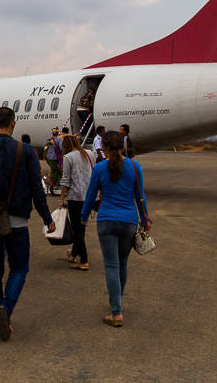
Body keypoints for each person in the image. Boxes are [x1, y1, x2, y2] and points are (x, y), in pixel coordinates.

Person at [0, 107, 55, 342]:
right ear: (14, 125)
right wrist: (47, 217)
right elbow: (37, 187)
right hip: (17, 222)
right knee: (19, 268)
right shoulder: (25, 151)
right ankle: (6, 306)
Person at [81, 131, 151, 328]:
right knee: (122, 263)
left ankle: (116, 310)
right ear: (122, 146)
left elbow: (91, 195)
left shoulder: (100, 168)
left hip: (107, 221)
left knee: (111, 265)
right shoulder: (135, 166)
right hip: (129, 221)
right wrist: (145, 217)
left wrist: (83, 217)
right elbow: (140, 196)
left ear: (103, 147)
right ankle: (116, 302)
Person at [59, 134, 94, 271]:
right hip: (89, 196)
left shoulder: (68, 157)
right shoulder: (89, 153)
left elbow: (65, 180)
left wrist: (62, 198)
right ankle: (73, 254)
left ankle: (84, 259)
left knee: (76, 230)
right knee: (81, 227)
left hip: (75, 197)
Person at [44, 127, 63, 194]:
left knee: (54, 170)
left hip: (49, 158)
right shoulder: (59, 140)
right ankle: (53, 185)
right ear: (57, 133)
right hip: (55, 158)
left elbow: (45, 148)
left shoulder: (49, 140)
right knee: (57, 171)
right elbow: (61, 148)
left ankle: (54, 183)